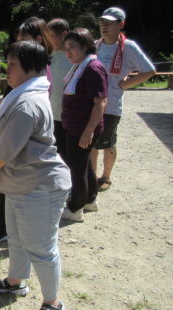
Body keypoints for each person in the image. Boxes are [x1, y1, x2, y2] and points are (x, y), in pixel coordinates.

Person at [0, 40, 71, 310]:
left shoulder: (27, 102)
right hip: (22, 183)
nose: (6, 70)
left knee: (41, 248)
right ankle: (15, 282)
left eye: (12, 65)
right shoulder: (21, 94)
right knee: (18, 239)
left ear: (31, 69)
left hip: (40, 186)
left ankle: (52, 303)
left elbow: (7, 149)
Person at [0, 16, 54, 247]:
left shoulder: (31, 94)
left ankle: (5, 230)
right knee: (20, 232)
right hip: (20, 166)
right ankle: (8, 232)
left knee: (38, 247)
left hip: (26, 169)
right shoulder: (26, 82)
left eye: (23, 40)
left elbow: (15, 134)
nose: (8, 69)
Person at [91, 7, 155, 191]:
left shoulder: (128, 47)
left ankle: (106, 176)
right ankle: (92, 175)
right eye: (102, 22)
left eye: (109, 23)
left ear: (121, 24)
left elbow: (149, 70)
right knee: (92, 142)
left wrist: (126, 84)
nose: (104, 26)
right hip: (94, 103)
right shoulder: (96, 45)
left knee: (107, 142)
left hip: (111, 105)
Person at [60, 28, 108, 222]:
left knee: (76, 167)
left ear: (86, 47)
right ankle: (89, 199)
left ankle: (75, 208)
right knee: (84, 163)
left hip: (83, 128)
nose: (68, 52)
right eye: (66, 48)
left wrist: (88, 131)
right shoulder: (80, 66)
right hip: (76, 127)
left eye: (72, 47)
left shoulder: (93, 68)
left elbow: (100, 102)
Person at [47, 18, 73, 159]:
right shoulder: (48, 55)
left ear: (63, 34)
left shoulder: (76, 56)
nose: (48, 39)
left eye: (51, 36)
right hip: (51, 116)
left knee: (72, 158)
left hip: (70, 117)